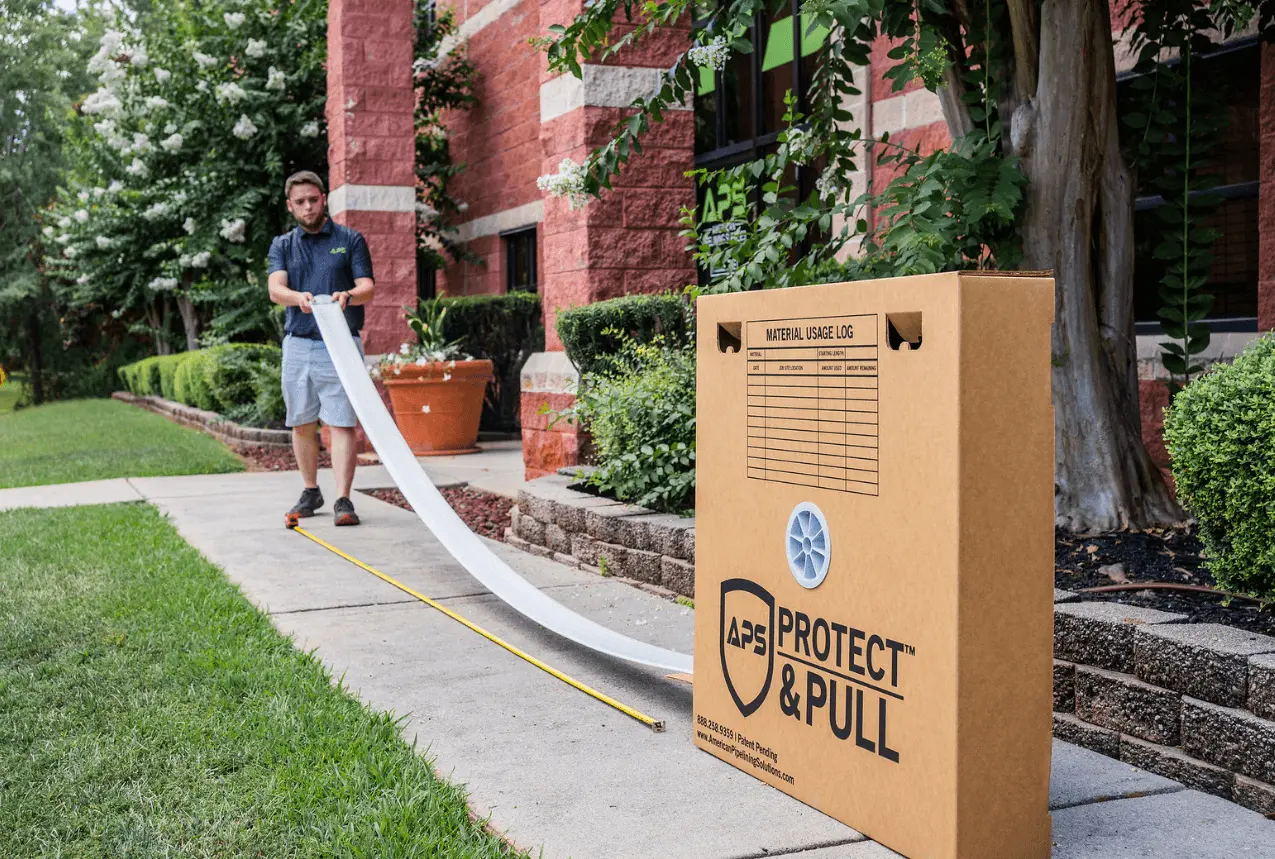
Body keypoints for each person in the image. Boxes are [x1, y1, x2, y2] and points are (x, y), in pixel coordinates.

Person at [267, 170, 374, 526]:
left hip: (341, 344)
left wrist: (349, 295)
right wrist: (298, 298)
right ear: (290, 206)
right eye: (300, 202)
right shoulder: (283, 245)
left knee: (342, 423)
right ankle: (311, 490)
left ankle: (344, 500)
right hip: (299, 344)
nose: (308, 207)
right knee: (301, 421)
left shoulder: (350, 239)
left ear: (323, 198)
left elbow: (367, 287)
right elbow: (275, 289)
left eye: (313, 199)